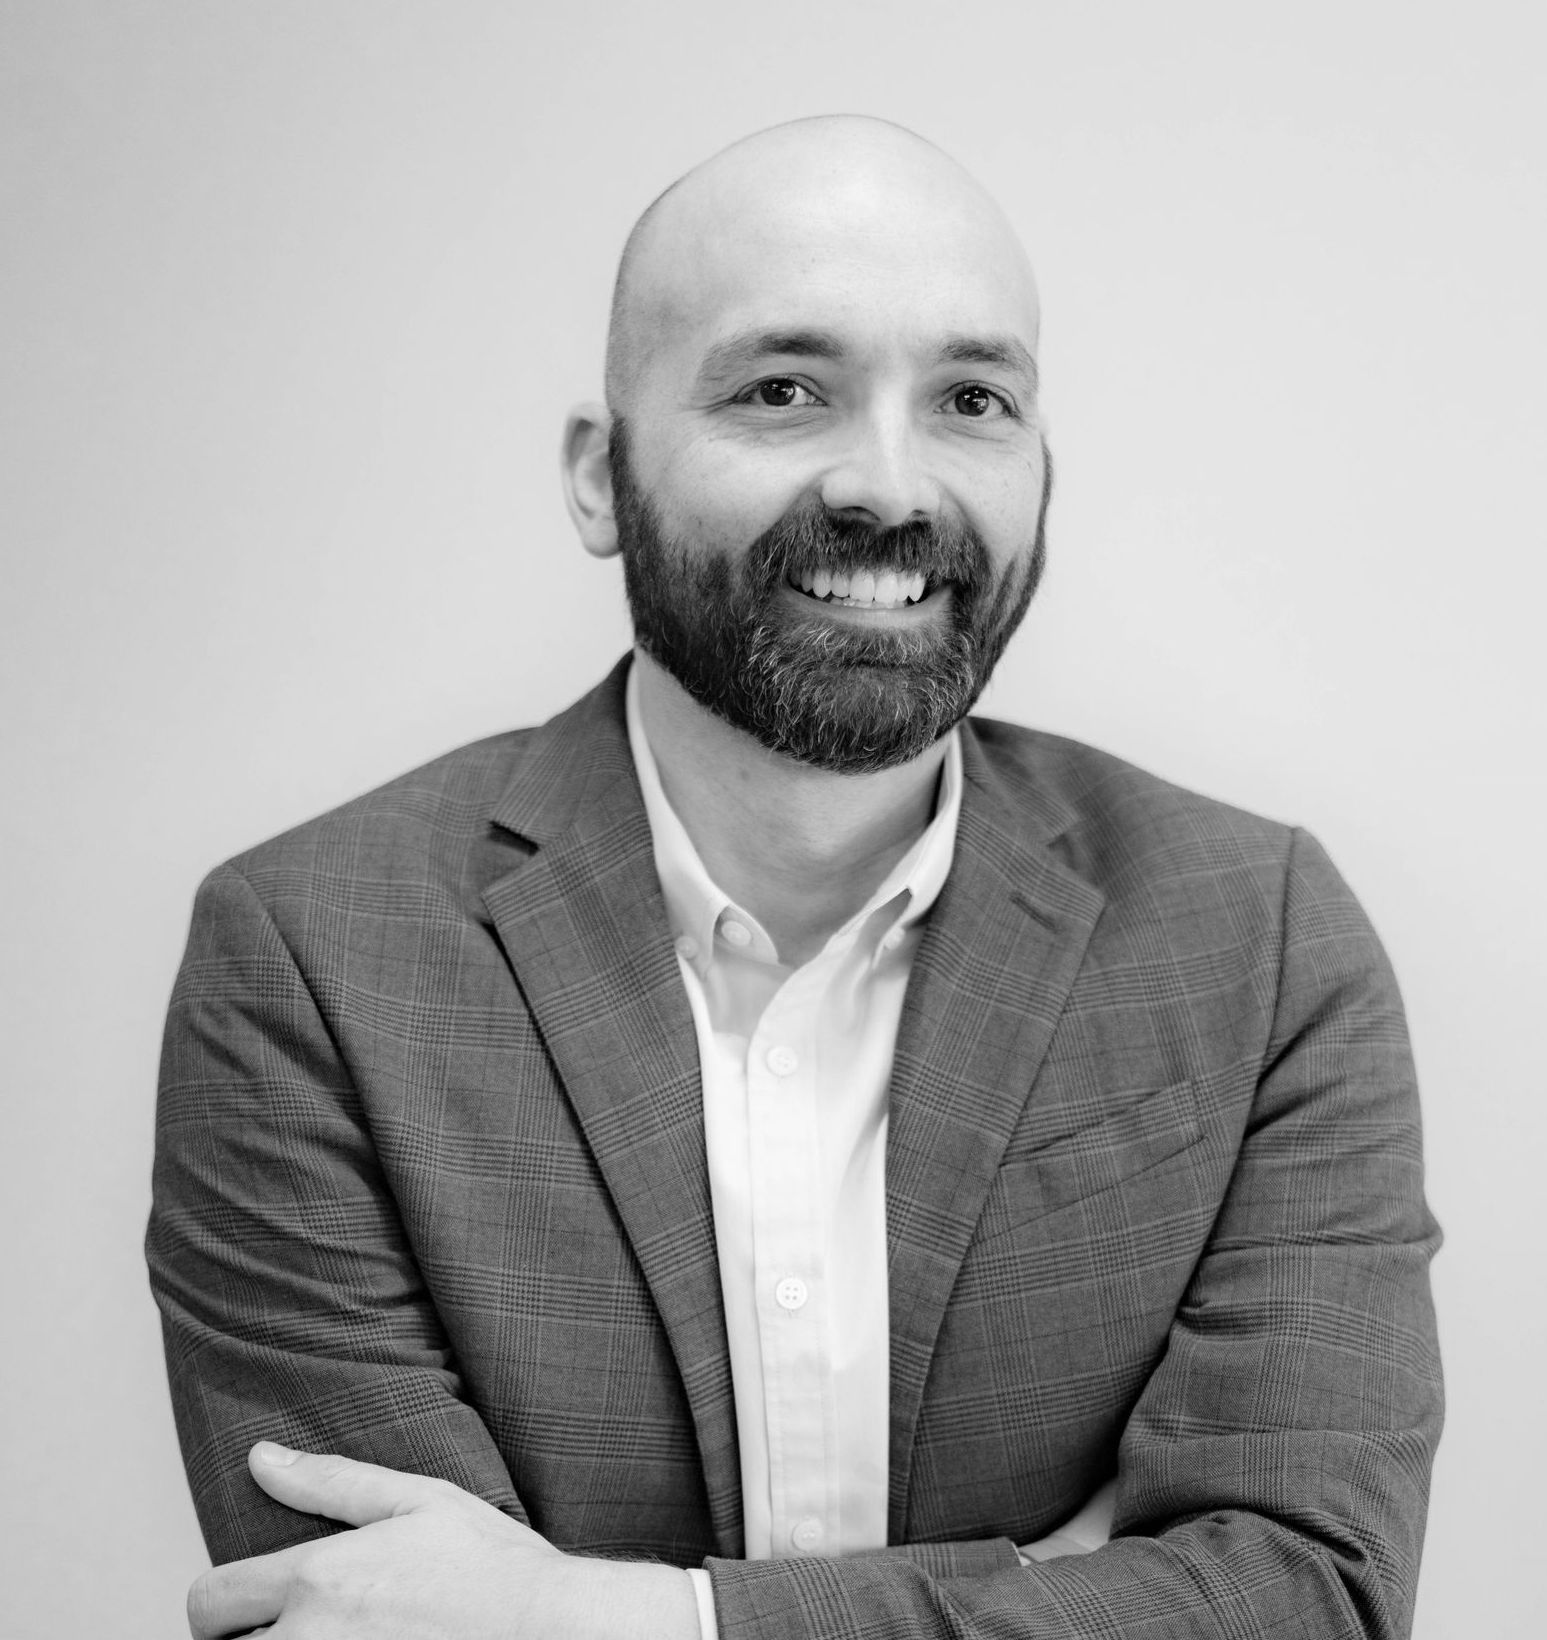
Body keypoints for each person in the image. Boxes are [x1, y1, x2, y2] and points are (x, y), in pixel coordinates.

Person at [148, 115, 1442, 1640]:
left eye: (971, 398)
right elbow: (367, 1621)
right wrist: (1060, 1595)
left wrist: (614, 1621)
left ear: (1042, 468)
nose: (889, 488)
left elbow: (1308, 1598)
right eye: (782, 391)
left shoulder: (1262, 938)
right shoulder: (307, 959)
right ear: (596, 476)